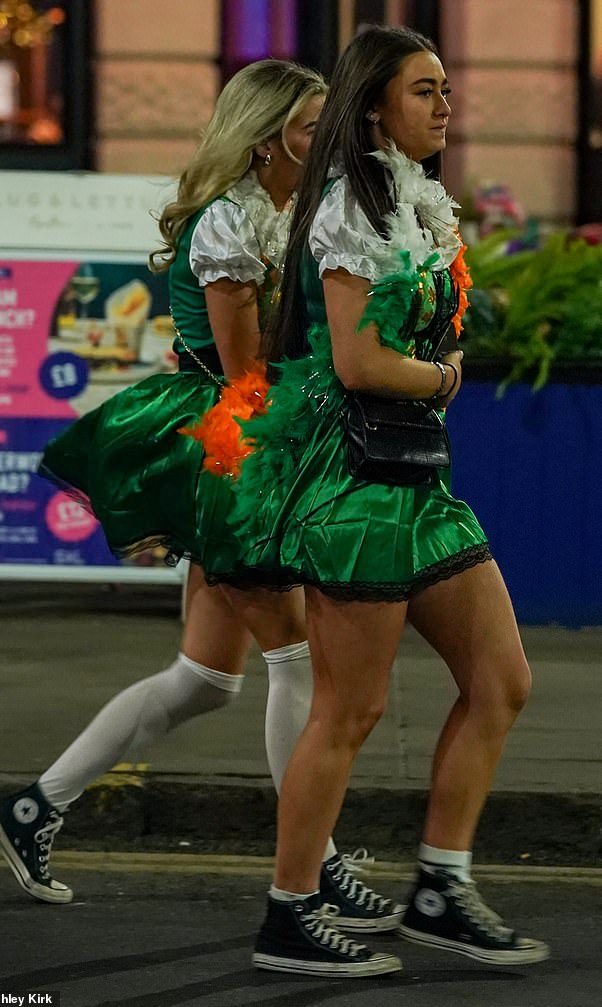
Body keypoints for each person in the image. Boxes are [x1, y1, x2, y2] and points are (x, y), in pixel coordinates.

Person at [0, 59, 401, 944]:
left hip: (247, 446)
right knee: (297, 662)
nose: (325, 139)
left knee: (206, 678)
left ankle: (31, 808)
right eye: (311, 124)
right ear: (267, 135)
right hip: (228, 448)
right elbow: (246, 378)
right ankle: (311, 866)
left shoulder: (282, 212)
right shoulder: (232, 221)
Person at [202, 27, 550, 977]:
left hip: (420, 482)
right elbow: (357, 361)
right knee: (347, 710)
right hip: (357, 484)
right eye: (425, 90)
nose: (446, 105)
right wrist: (440, 377)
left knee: (503, 678)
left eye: (446, 88)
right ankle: (289, 910)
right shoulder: (353, 204)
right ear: (374, 108)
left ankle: (439, 884)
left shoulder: (416, 196)